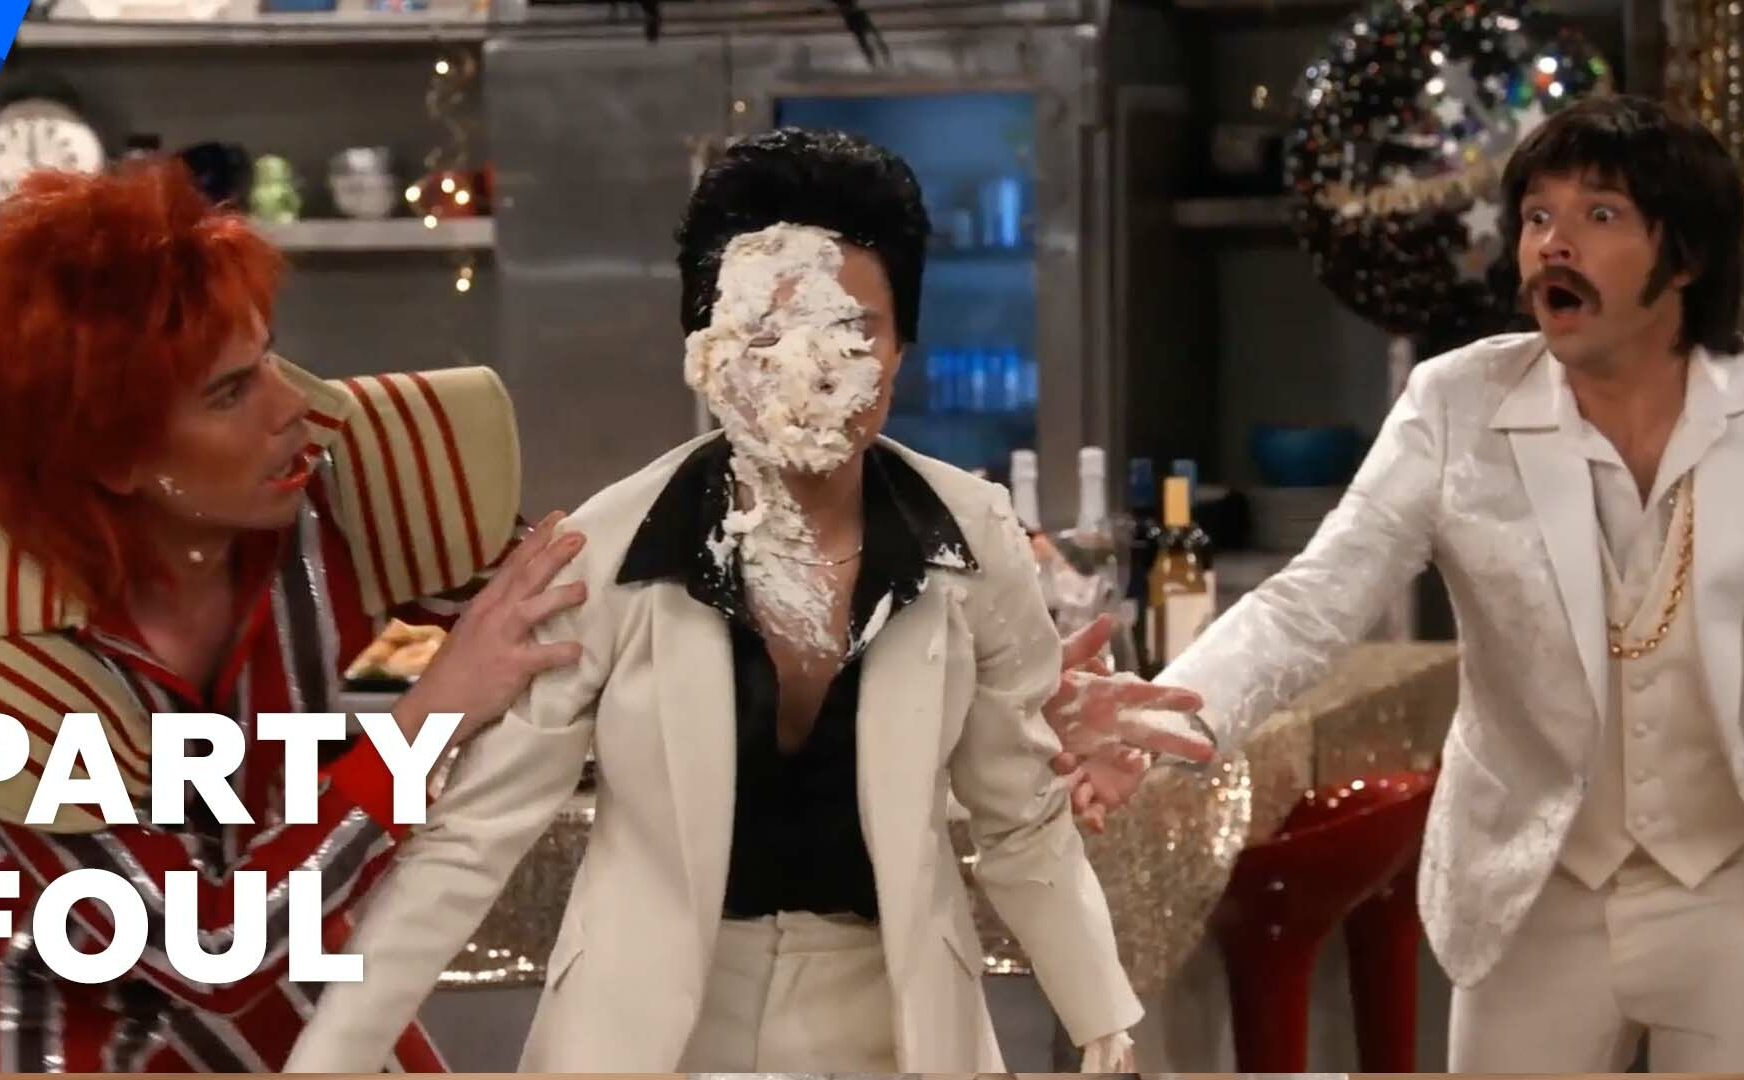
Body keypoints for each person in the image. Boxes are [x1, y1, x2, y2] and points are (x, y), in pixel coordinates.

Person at [283, 128, 1211, 1074]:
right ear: (708, 354)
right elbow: (470, 842)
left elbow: (1020, 818)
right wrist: (327, 1064)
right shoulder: (605, 552)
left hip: (896, 1023)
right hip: (647, 1036)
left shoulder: (975, 538)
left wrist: (1103, 1024)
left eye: (852, 332)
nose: (810, 370)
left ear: (901, 351)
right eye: (765, 335)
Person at [0, 158, 592, 1071]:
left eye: (266, 356)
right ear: (109, 455)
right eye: (230, 393)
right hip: (44, 1025)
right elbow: (205, 946)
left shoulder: (316, 487)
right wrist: (428, 721)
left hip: (275, 965)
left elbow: (571, 599)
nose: (294, 406)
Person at [1149, 94, 1744, 1070]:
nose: (1553, 244)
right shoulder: (1458, 403)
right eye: (1537, 216)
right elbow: (1313, 602)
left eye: (1599, 214)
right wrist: (1162, 719)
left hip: (1728, 886)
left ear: (1684, 258)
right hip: (1536, 886)